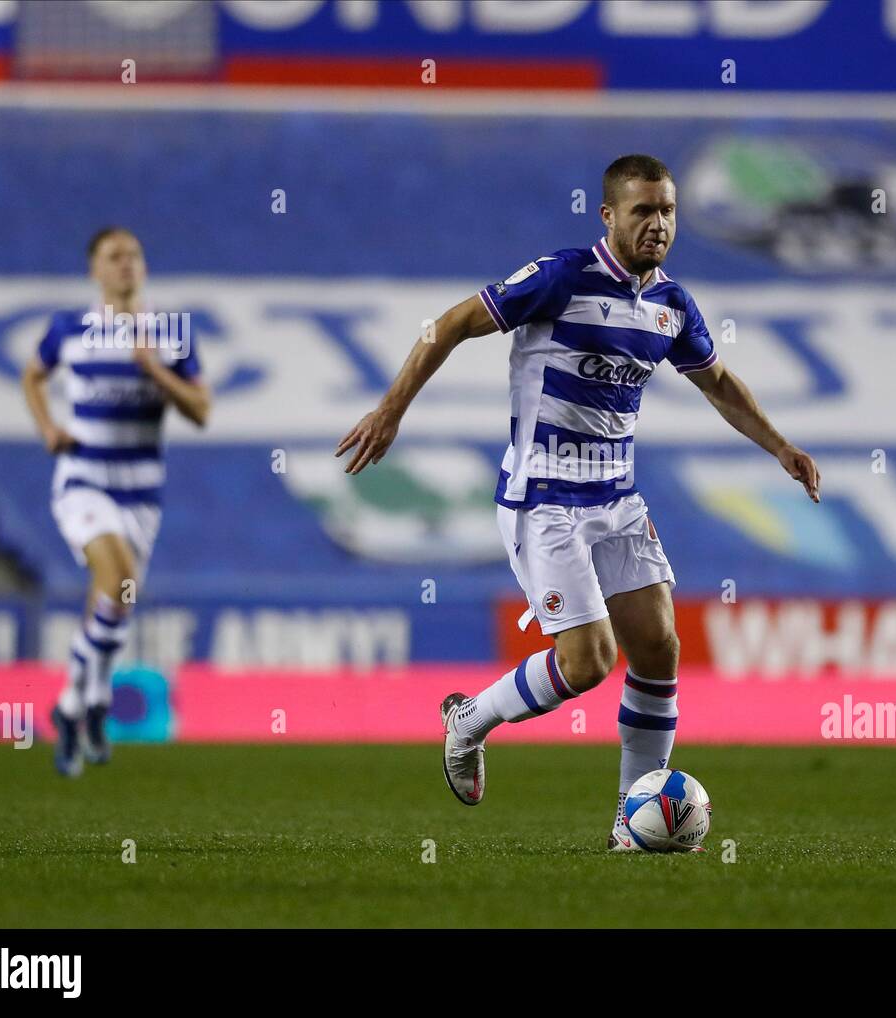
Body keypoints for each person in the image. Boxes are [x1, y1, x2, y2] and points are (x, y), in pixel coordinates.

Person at [335, 155, 819, 849]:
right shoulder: (561, 277)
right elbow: (445, 326)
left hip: (616, 497)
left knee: (658, 649)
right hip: (545, 498)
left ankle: (632, 820)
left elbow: (718, 384)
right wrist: (391, 411)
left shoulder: (671, 306)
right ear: (609, 216)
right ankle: (470, 720)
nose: (658, 224)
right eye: (643, 211)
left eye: (668, 211)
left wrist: (780, 446)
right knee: (590, 661)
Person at [21, 227, 209, 777]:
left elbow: (201, 411)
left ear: (144, 268)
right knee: (116, 573)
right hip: (83, 480)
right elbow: (32, 377)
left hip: (141, 495)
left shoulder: (172, 334)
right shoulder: (68, 329)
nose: (126, 263)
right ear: (94, 271)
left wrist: (155, 371)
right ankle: (88, 697)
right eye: (114, 256)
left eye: (134, 255)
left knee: (117, 598)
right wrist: (48, 428)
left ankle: (79, 701)